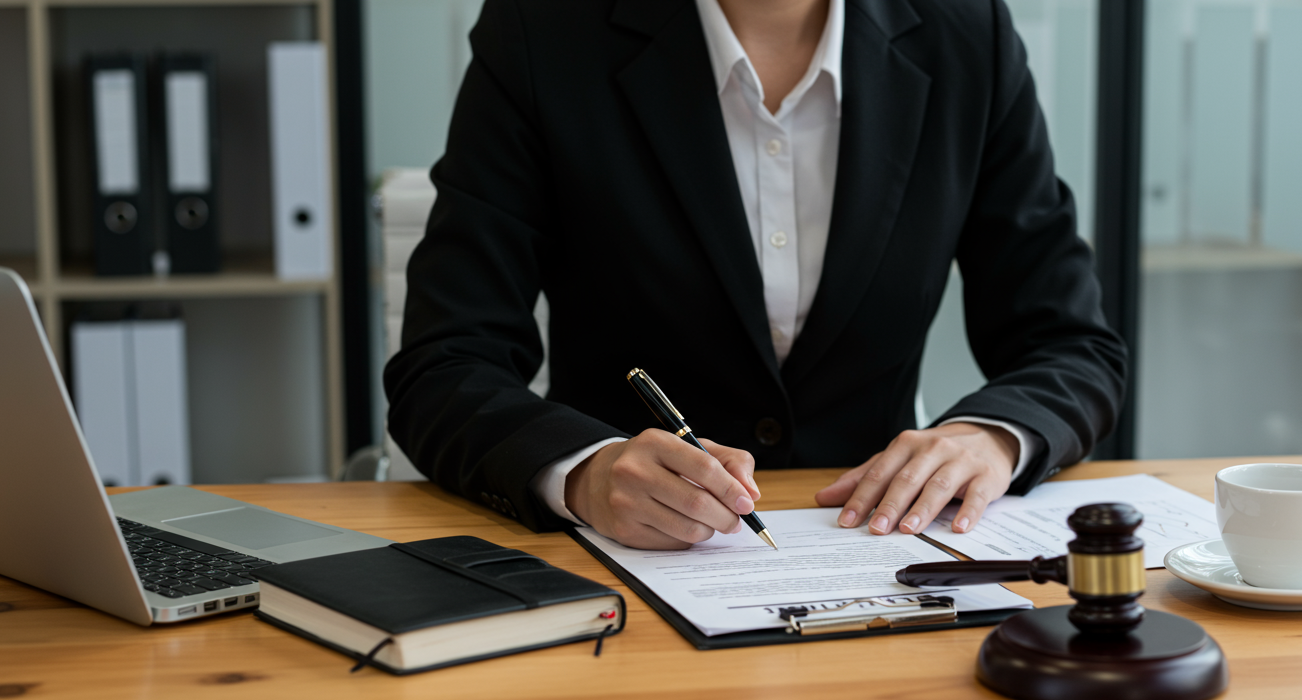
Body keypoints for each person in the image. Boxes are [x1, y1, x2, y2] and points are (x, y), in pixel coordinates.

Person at [385, 0, 1127, 550]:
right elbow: (445, 365)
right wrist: (584, 472)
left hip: (875, 557)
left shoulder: (968, 36)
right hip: (619, 568)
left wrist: (991, 437)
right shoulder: (542, 31)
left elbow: (1071, 344)